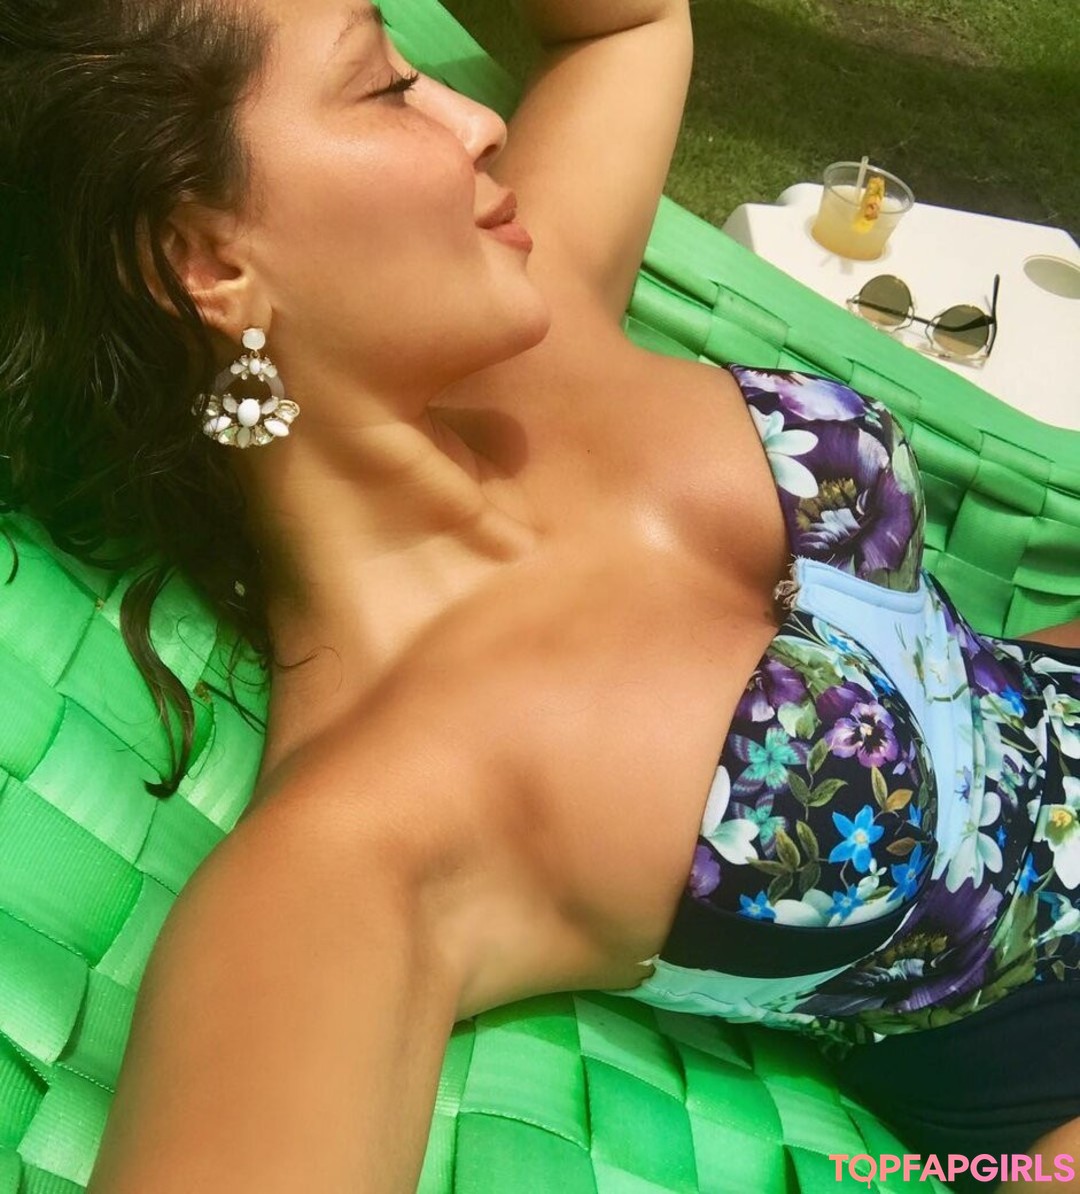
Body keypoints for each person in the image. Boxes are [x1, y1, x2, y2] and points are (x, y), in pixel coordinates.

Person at [0, 0, 1077, 1189]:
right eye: (385, 85)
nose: (477, 123)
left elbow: (629, 25)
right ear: (207, 263)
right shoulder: (371, 831)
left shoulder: (524, 310)